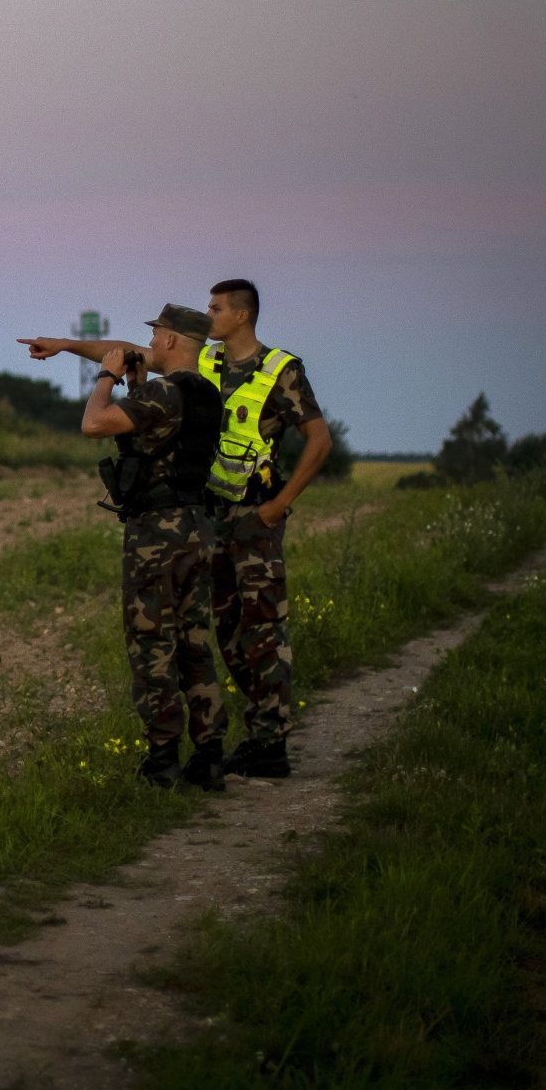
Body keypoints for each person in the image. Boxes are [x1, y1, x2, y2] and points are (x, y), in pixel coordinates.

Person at [47, 305, 228, 792]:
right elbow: (162, 440)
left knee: (151, 642)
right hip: (197, 526)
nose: (152, 341)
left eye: (157, 334)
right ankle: (210, 754)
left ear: (168, 341)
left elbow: (95, 424)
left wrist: (106, 377)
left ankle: (162, 760)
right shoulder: (205, 393)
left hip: (157, 534)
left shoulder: (163, 392)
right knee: (194, 642)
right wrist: (73, 349)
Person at [198, 278, 333, 778]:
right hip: (213, 518)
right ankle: (262, 734)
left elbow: (318, 440)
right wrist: (66, 346)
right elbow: (138, 351)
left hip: (256, 519)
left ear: (241, 315)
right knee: (229, 630)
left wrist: (280, 504)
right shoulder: (205, 362)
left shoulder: (281, 369)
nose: (207, 315)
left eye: (214, 308)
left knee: (264, 629)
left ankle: (271, 745)